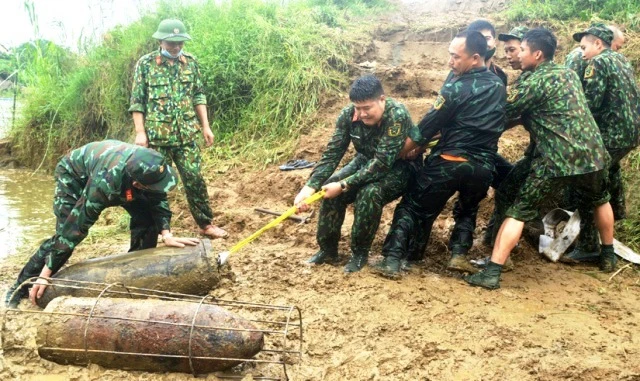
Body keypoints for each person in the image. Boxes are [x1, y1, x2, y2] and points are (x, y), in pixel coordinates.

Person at [465, 28, 615, 290]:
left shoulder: (533, 82)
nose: (518, 54)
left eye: (521, 50)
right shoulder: (568, 73)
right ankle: (608, 256)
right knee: (600, 199)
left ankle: (492, 272)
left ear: (537, 53)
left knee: (518, 209)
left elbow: (501, 111)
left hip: (556, 159)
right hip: (594, 155)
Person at [5, 140, 199, 307]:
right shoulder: (105, 183)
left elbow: (158, 197)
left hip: (121, 177)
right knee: (62, 235)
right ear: (138, 184)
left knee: (148, 220)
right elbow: (75, 228)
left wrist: (166, 233)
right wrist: (46, 272)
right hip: (74, 175)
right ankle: (22, 287)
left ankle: (135, 270)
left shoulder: (149, 166)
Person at [375, 30, 506, 277]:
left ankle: (392, 260)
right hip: (483, 168)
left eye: (456, 57)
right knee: (468, 208)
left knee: (412, 207)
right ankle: (458, 255)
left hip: (449, 162)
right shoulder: (499, 86)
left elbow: (426, 128)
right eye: (450, 55)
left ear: (475, 58)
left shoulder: (455, 87)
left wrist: (399, 152)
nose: (450, 62)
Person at [293, 75, 416, 273]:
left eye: (367, 108)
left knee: (369, 193)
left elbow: (382, 163)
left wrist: (343, 185)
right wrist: (310, 187)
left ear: (382, 100)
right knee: (329, 186)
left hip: (398, 166)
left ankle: (359, 253)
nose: (362, 114)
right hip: (364, 160)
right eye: (358, 108)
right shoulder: (348, 115)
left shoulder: (397, 115)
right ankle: (328, 250)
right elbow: (333, 153)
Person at [129, 18, 227, 240]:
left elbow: (198, 95)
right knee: (155, 186)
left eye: (180, 42)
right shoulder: (145, 65)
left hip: (186, 136)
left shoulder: (190, 62)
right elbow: (137, 101)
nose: (176, 47)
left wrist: (206, 127)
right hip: (157, 139)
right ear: (161, 40)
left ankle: (206, 224)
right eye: (171, 43)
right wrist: (140, 133)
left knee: (194, 178)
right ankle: (160, 230)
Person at [561, 23, 640, 264]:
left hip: (610, 135)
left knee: (587, 186)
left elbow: (590, 103)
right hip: (629, 135)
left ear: (598, 43)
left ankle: (589, 246)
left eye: (584, 47)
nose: (581, 53)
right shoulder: (621, 60)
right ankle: (607, 249)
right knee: (604, 178)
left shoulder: (597, 63)